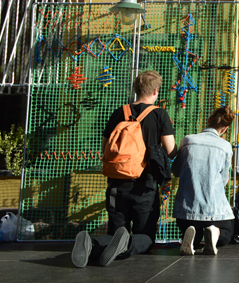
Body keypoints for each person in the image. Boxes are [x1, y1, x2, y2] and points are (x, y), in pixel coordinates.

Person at [72, 70, 176, 267]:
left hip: (116, 184)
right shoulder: (159, 114)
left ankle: (93, 244)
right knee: (145, 237)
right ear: (156, 91)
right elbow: (171, 151)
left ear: (135, 90)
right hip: (145, 185)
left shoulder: (119, 112)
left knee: (115, 233)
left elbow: (105, 148)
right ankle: (123, 245)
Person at [172, 106, 236, 255]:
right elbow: (224, 180)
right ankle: (215, 232)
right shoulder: (225, 146)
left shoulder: (187, 140)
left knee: (190, 227)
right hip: (214, 210)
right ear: (225, 129)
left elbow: (176, 170)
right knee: (227, 232)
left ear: (208, 120)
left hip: (187, 210)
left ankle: (191, 234)